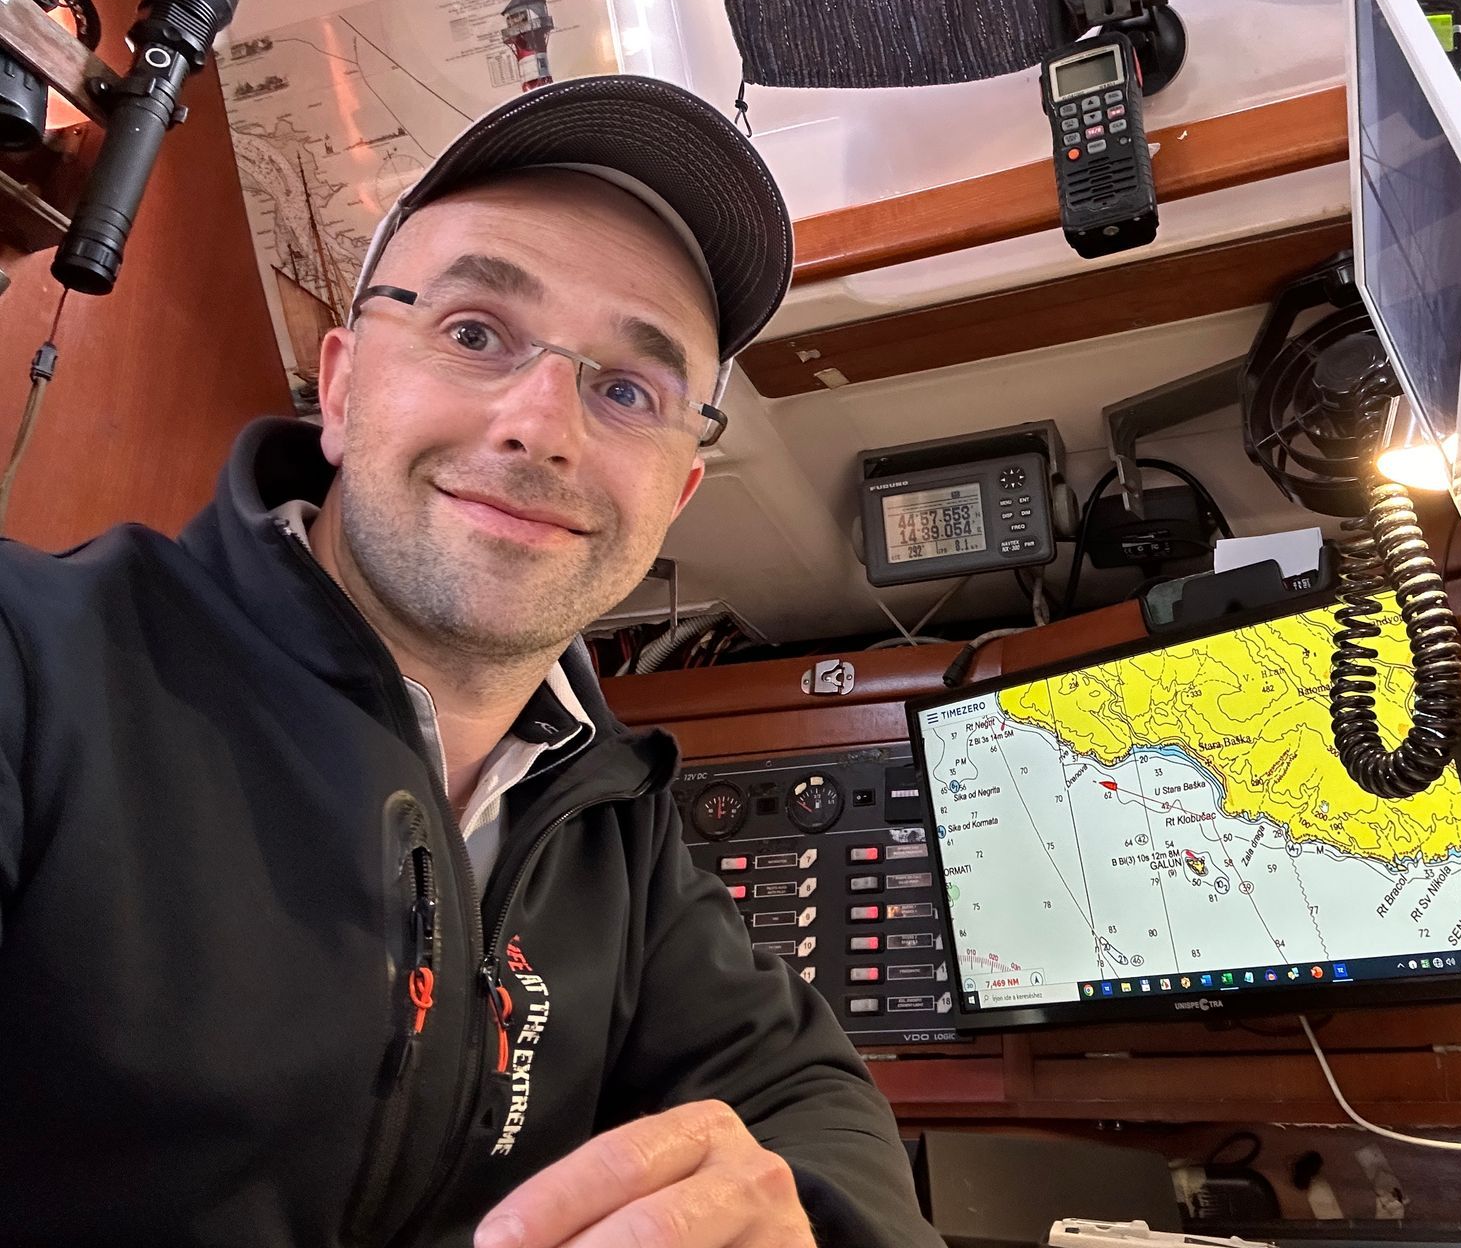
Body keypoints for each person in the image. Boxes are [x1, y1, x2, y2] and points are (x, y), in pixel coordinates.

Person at [0, 76, 944, 1248]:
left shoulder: (619, 831)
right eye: (475, 333)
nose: (542, 424)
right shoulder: (30, 661)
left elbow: (812, 1098)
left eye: (627, 389)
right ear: (341, 388)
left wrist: (807, 1222)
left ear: (677, 495)